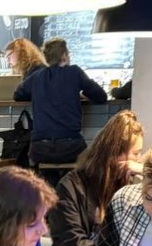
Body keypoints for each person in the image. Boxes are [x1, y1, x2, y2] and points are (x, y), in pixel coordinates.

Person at [45, 110, 144, 246]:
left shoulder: (130, 188)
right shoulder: (70, 186)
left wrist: (144, 172)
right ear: (117, 154)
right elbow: (72, 243)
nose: (138, 160)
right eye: (136, 154)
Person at [13, 37, 107, 168]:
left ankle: (50, 181)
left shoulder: (36, 76)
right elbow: (101, 96)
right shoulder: (74, 72)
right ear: (64, 56)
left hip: (39, 149)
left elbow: (18, 95)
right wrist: (81, 92)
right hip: (71, 146)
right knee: (89, 161)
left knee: (47, 170)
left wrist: (39, 94)